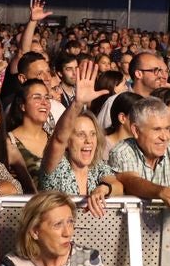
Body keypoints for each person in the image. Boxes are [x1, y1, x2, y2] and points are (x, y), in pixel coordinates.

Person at [39, 60, 123, 217]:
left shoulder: (96, 167)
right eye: (80, 135)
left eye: (92, 134)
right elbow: (58, 139)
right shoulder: (56, 167)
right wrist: (77, 103)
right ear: (68, 142)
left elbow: (117, 185)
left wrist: (104, 189)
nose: (89, 141)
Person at [7, 79, 53, 178]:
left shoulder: (54, 140)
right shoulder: (9, 142)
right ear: (23, 106)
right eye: (37, 97)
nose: (44, 102)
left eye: (47, 97)